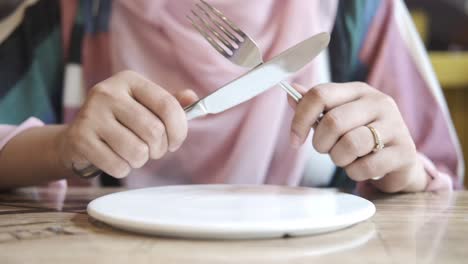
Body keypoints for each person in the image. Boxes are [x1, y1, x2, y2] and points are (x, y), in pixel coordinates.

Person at [0, 0, 463, 193]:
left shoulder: (359, 13)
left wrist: (405, 173)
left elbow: (445, 189)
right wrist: (60, 148)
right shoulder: (65, 16)